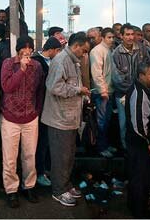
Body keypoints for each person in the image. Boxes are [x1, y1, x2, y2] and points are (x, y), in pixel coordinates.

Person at [41, 32, 91, 207]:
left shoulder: (72, 60)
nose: (84, 54)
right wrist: (78, 90)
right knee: (60, 157)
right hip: (58, 118)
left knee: (68, 156)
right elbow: (54, 86)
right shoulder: (61, 60)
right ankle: (58, 190)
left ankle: (65, 185)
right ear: (76, 46)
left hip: (68, 117)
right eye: (83, 50)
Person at [0, 36, 43, 208]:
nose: (26, 53)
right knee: (10, 158)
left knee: (29, 155)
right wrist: (22, 70)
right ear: (18, 51)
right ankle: (11, 190)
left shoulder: (38, 66)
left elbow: (40, 89)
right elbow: (7, 87)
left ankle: (29, 186)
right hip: (10, 116)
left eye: (29, 50)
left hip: (30, 117)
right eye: (23, 50)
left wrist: (37, 110)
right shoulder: (8, 64)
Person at [125, 63, 150, 218]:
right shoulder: (140, 94)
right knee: (140, 178)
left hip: (138, 142)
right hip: (139, 144)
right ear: (141, 76)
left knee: (140, 177)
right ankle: (139, 210)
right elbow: (139, 123)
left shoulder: (141, 90)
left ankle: (137, 206)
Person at [112, 23, 150, 150]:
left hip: (140, 94)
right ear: (121, 36)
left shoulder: (142, 49)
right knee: (124, 124)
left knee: (140, 122)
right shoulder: (116, 54)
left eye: (132, 34)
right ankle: (126, 150)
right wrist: (131, 91)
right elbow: (116, 78)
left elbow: (148, 70)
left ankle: (140, 148)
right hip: (122, 95)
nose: (130, 37)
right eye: (127, 34)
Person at [31, 37, 62, 186]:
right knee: (41, 142)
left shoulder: (49, 61)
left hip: (48, 107)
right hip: (40, 108)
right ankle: (39, 172)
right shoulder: (37, 61)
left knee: (46, 141)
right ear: (52, 50)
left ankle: (44, 169)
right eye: (58, 51)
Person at [89, 27, 116, 158]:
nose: (111, 39)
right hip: (102, 92)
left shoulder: (109, 50)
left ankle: (105, 145)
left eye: (113, 37)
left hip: (109, 90)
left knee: (107, 120)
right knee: (101, 121)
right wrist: (102, 90)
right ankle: (101, 148)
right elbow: (96, 72)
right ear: (103, 38)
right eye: (109, 37)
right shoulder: (97, 51)